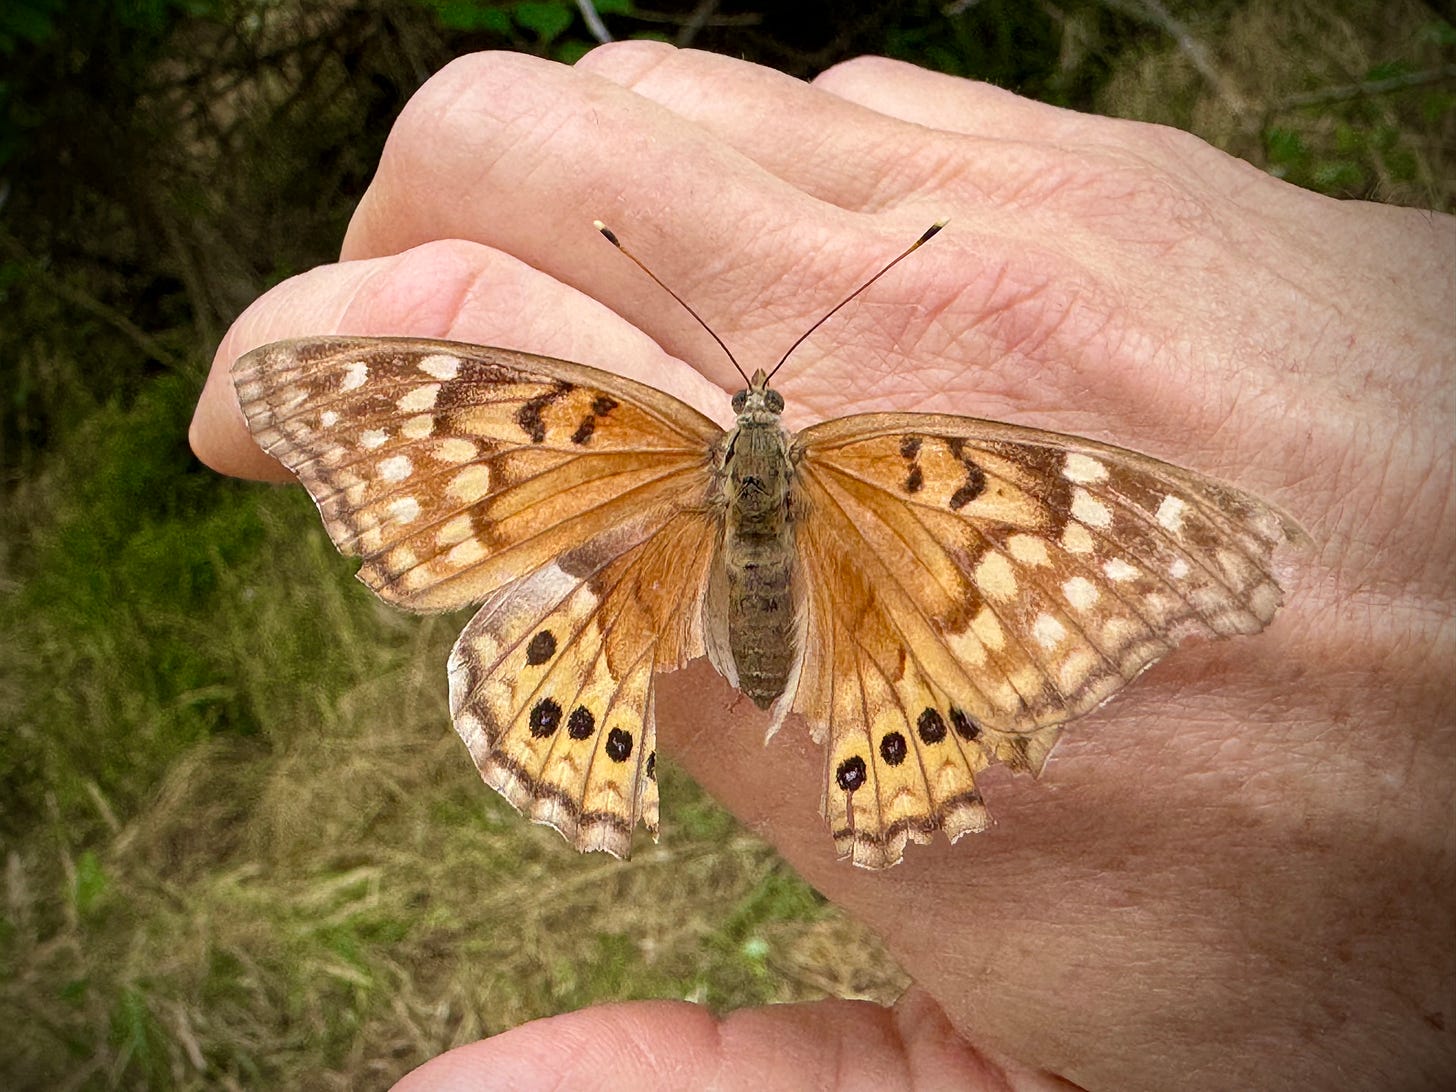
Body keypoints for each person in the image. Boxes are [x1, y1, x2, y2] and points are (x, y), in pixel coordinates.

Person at [189, 42, 1455, 1091]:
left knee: (605, 635)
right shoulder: (895, 463)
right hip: (766, 578)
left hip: (686, 569)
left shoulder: (657, 430)